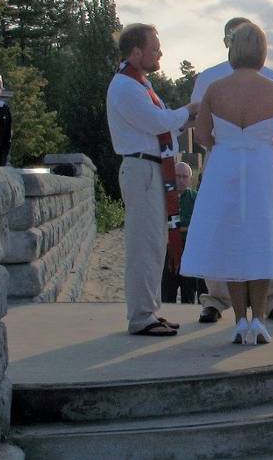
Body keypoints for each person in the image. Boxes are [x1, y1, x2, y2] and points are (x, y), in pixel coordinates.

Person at [181, 22, 273, 345]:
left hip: (225, 166)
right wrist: (261, 143)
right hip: (263, 166)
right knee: (262, 238)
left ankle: (238, 320)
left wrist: (231, 143)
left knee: (232, 240)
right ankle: (260, 320)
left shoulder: (215, 89)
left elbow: (204, 136)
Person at [106, 23, 199, 336]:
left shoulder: (139, 85)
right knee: (145, 245)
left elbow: (164, 126)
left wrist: (182, 120)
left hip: (152, 170)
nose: (160, 53)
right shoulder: (126, 87)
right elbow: (158, 122)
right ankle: (141, 316)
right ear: (136, 51)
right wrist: (188, 110)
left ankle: (149, 310)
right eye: (155, 48)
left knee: (155, 243)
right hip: (143, 169)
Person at [160, 162, 203, 304]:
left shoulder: (196, 198)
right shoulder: (163, 198)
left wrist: (178, 227)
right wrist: (183, 226)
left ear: (190, 180)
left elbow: (199, 224)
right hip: (168, 248)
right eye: (177, 176)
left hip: (189, 249)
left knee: (189, 292)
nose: (181, 180)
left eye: (185, 177)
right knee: (167, 292)